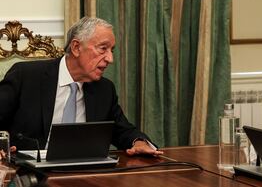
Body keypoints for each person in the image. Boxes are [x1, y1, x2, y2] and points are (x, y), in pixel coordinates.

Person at [0, 17, 162, 157]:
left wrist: (139, 142)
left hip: (84, 172)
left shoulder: (104, 89)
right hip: (27, 174)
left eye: (112, 50)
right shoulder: (25, 76)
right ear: (76, 47)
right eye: (103, 49)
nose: (110, 59)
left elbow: (122, 131)